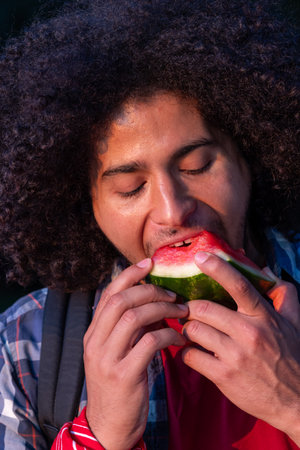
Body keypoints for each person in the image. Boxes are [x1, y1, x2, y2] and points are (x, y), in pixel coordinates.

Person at [0, 0, 299, 448]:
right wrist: (100, 432)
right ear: (88, 203)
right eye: (130, 188)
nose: (173, 211)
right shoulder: (25, 344)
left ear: (250, 158)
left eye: (198, 166)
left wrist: (292, 402)